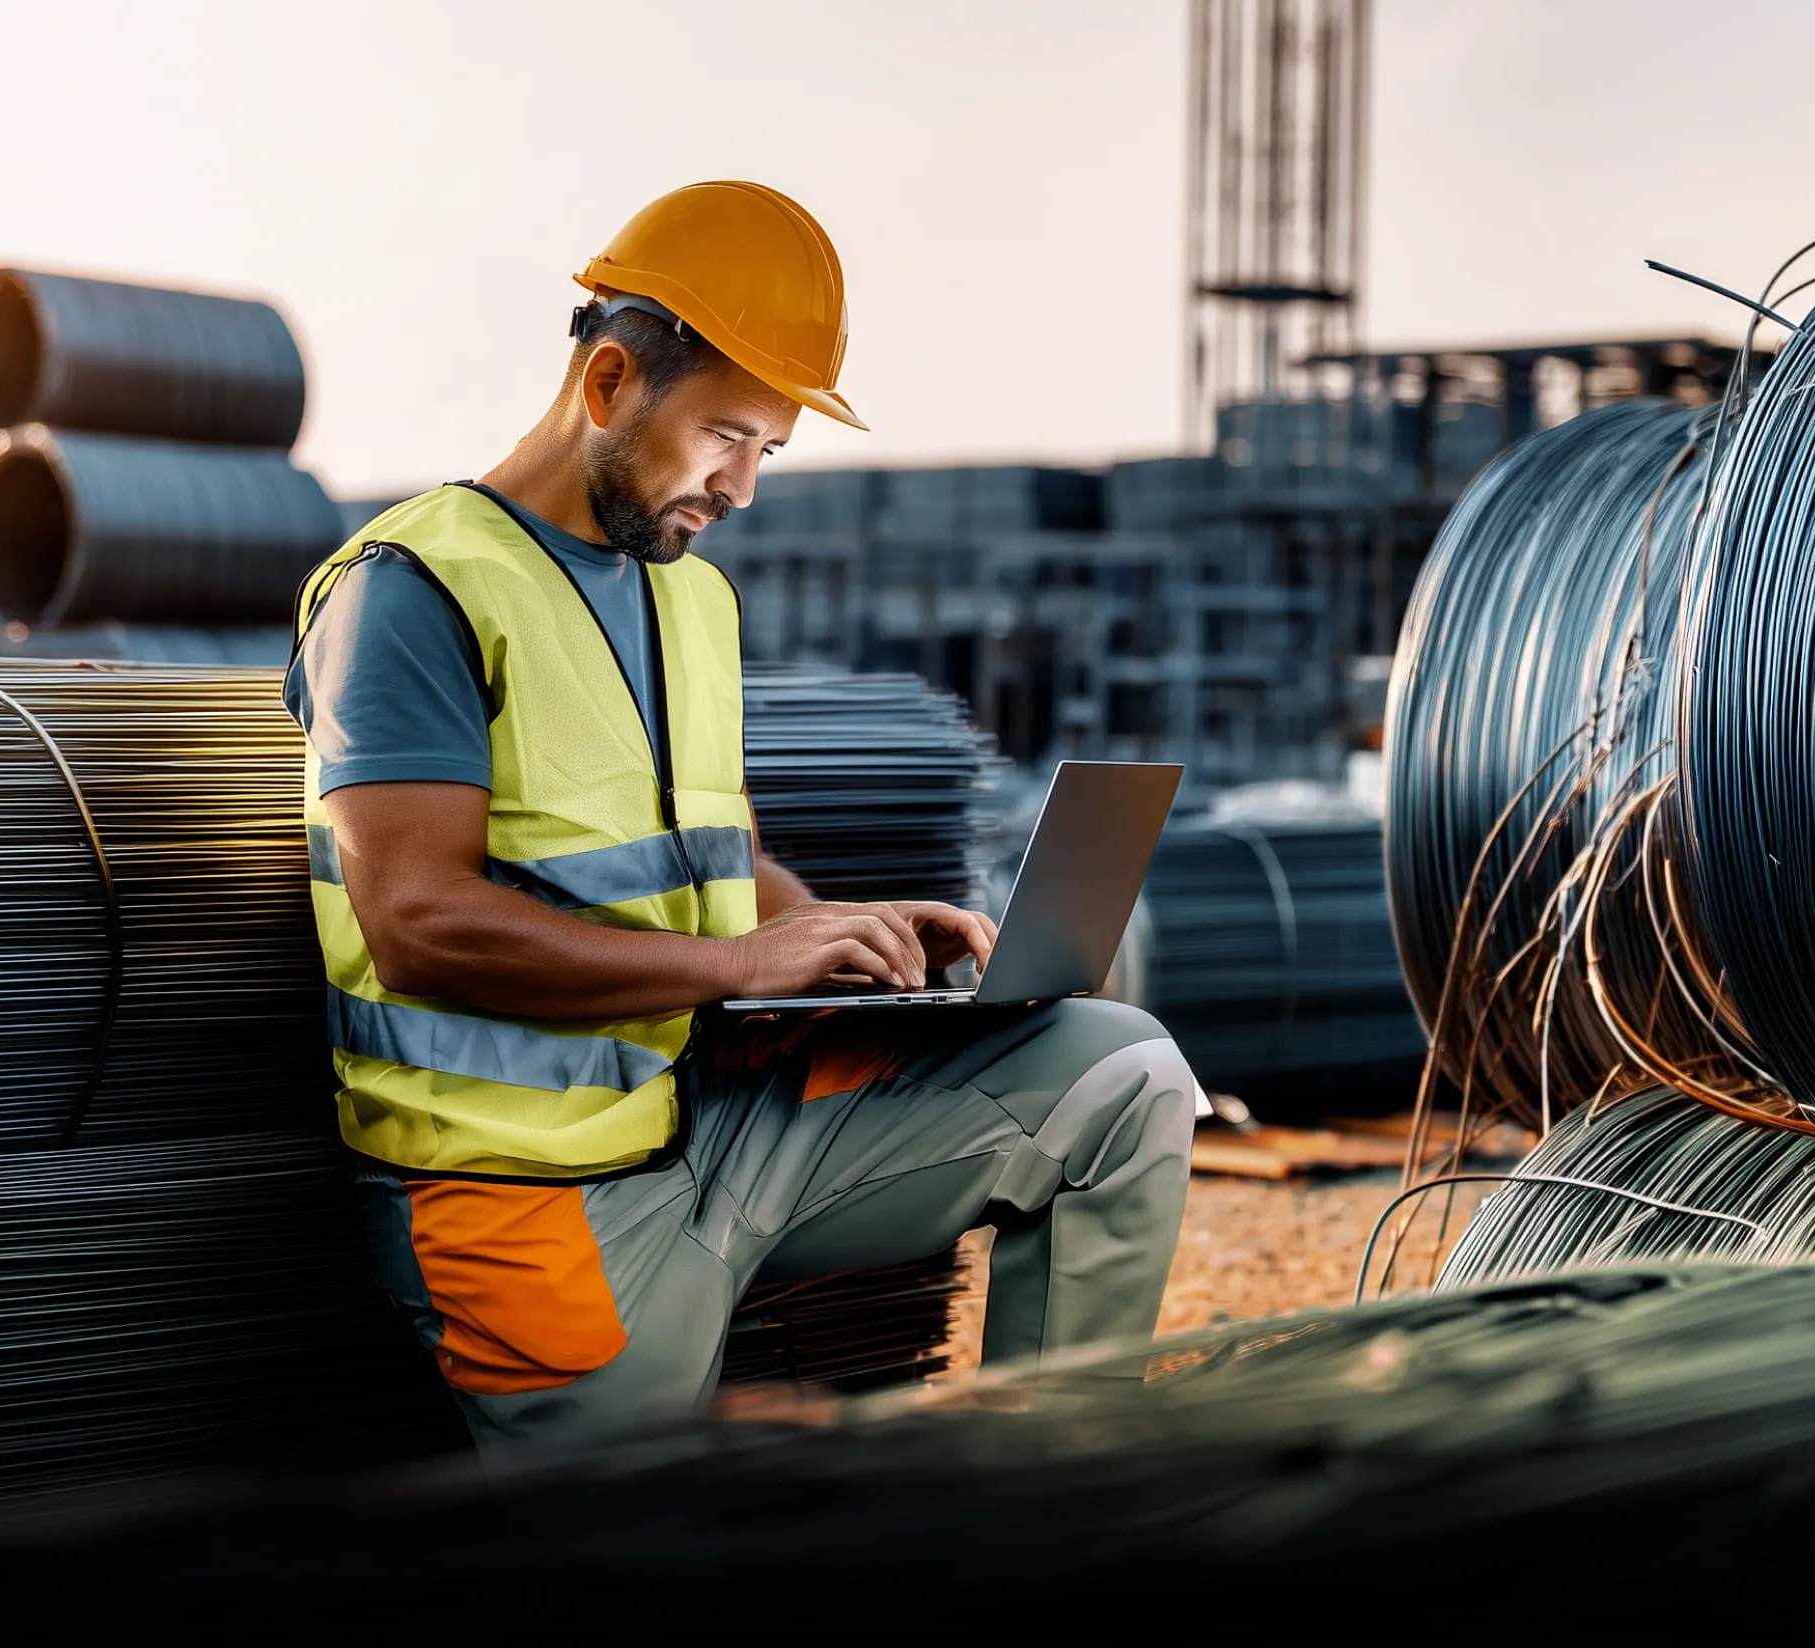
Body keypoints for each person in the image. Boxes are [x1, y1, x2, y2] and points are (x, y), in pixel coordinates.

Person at [284, 181, 1196, 1466]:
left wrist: (831, 928)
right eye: (727, 437)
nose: (745, 488)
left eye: (768, 448)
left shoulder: (688, 601)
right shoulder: (411, 592)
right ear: (608, 384)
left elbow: (722, 860)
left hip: (720, 1118)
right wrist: (734, 966)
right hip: (523, 1201)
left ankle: (1046, 1516)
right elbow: (417, 925)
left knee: (1119, 1072)